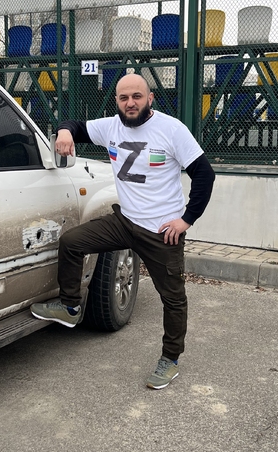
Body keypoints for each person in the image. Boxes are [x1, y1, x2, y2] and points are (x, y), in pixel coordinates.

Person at [31, 73, 215, 389]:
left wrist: (186, 220)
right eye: (123, 98)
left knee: (173, 299)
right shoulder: (111, 126)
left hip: (161, 232)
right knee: (72, 242)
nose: (130, 103)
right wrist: (64, 132)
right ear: (116, 101)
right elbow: (75, 125)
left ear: (150, 99)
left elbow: (205, 175)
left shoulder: (172, 130)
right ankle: (70, 306)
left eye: (137, 97)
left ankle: (170, 359)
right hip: (125, 222)